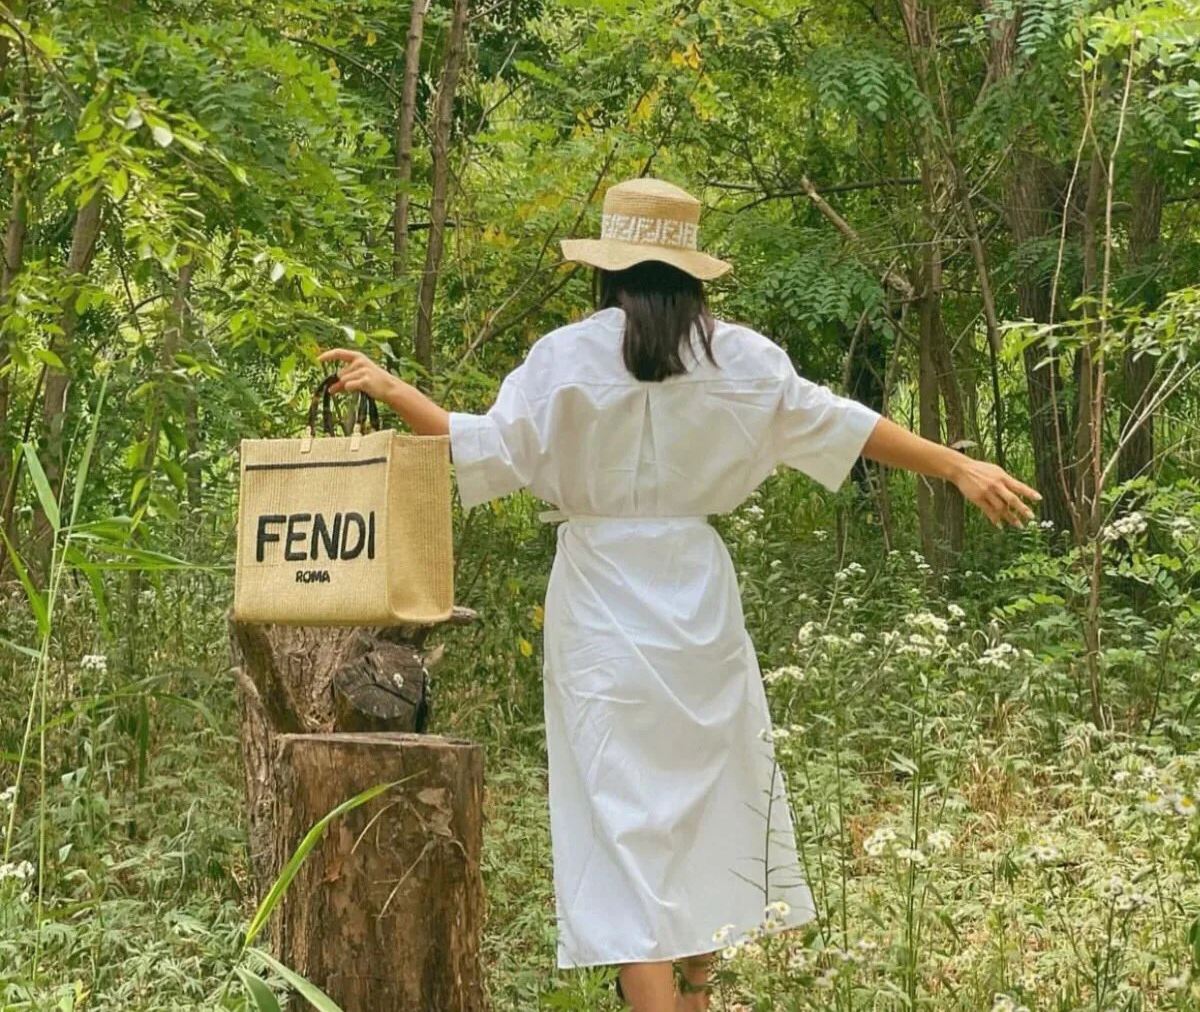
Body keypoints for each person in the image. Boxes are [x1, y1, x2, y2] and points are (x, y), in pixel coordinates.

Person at [319, 177, 1040, 1012]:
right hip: (697, 597)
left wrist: (393, 389)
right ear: (691, 272)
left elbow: (480, 444)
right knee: (707, 806)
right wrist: (956, 465)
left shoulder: (566, 356)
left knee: (619, 822)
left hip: (598, 598)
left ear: (607, 268)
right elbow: (842, 422)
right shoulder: (739, 358)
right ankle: (696, 996)